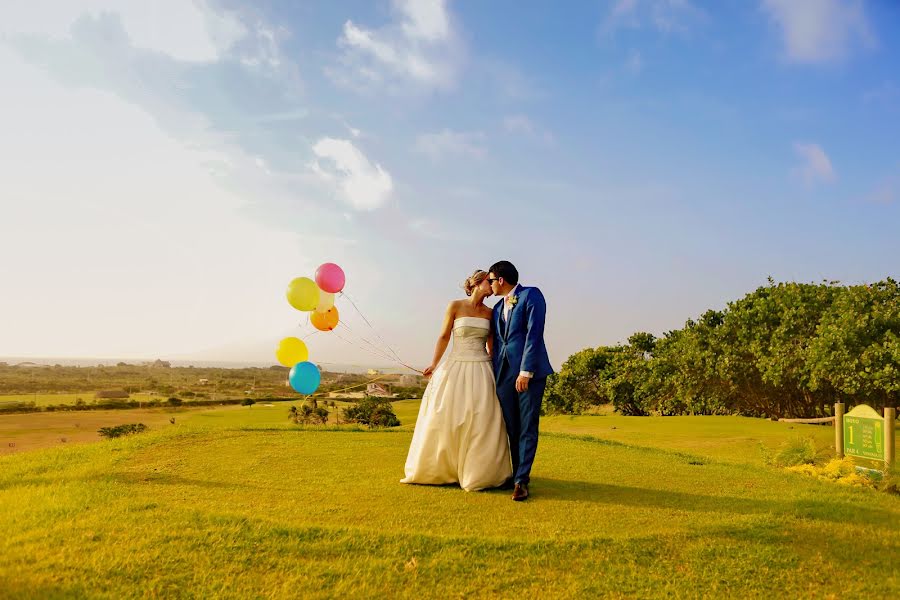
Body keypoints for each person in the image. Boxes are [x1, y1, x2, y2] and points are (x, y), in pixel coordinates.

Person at [400, 270, 512, 491]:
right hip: (455, 365)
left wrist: (497, 369)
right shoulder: (455, 306)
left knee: (481, 417)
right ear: (479, 283)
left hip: (481, 368)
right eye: (489, 282)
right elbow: (443, 336)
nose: (492, 286)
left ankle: (478, 472)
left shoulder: (491, 313)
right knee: (446, 414)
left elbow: (492, 345)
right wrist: (434, 364)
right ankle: (442, 469)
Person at [488, 260, 553, 501]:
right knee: (511, 427)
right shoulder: (496, 308)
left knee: (527, 427)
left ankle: (521, 481)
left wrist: (526, 371)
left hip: (529, 374)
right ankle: (514, 473)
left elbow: (534, 333)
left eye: (492, 280)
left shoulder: (531, 295)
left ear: (501, 280)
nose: (491, 285)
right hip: (504, 374)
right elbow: (498, 343)